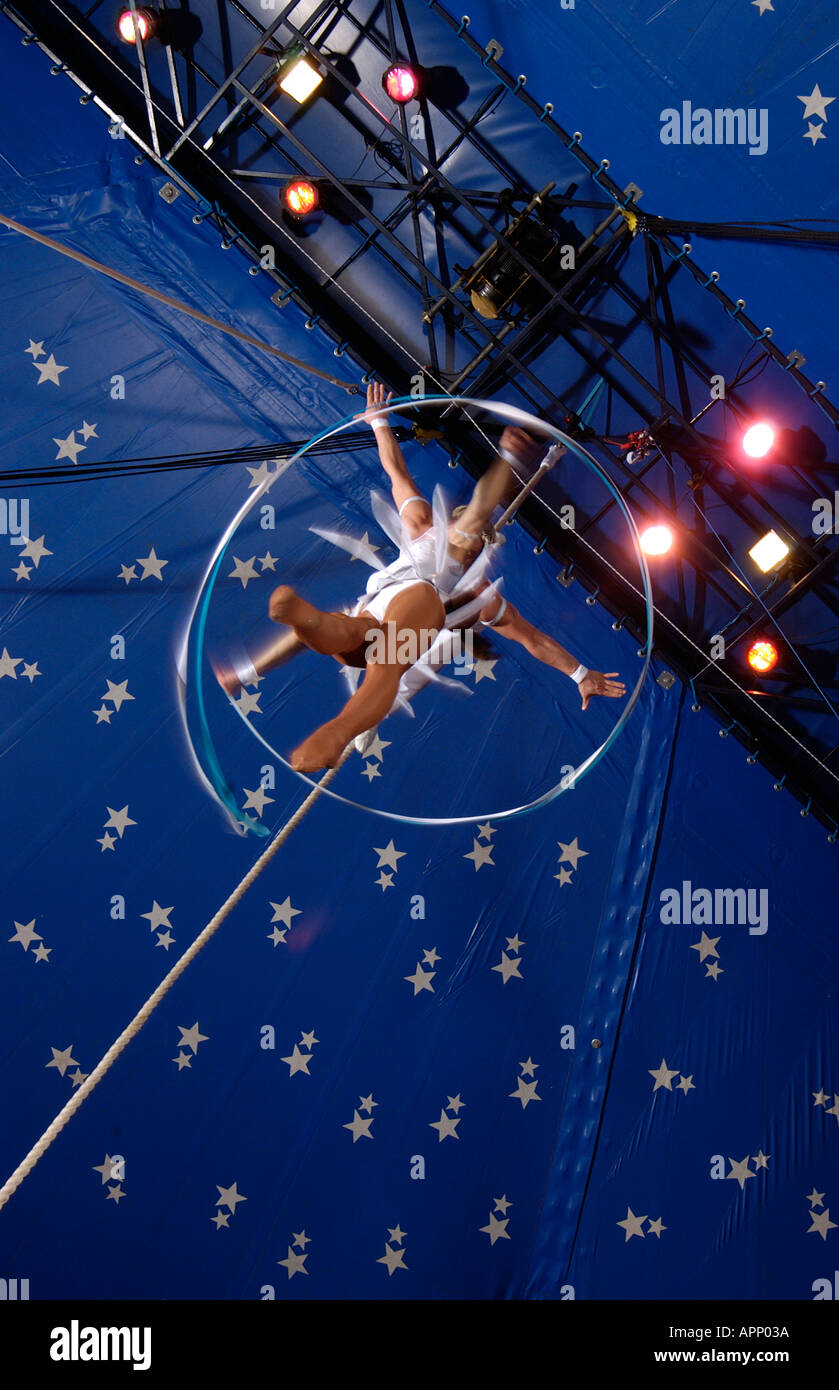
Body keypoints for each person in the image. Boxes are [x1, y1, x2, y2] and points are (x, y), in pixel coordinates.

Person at [215, 382, 626, 772]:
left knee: (352, 631)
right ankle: (339, 721)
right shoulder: (451, 546)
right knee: (383, 663)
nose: (473, 537)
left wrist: (579, 674)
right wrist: (509, 460)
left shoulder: (455, 567)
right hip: (412, 603)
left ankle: (297, 640)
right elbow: (476, 504)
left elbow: (534, 639)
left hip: (378, 605)